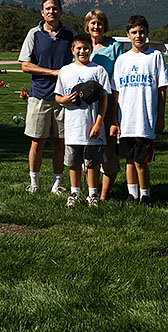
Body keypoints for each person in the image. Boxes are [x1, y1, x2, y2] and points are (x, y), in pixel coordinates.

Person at [18, 0, 76, 194]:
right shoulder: (34, 34)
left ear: (61, 10)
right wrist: (52, 72)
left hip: (63, 98)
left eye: (55, 8)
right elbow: (25, 65)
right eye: (47, 9)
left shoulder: (70, 35)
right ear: (42, 13)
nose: (52, 11)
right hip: (39, 95)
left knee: (60, 142)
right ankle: (34, 183)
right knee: (37, 141)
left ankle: (57, 184)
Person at [110, 14, 168, 205]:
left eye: (141, 32)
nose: (138, 36)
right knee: (128, 160)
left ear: (147, 33)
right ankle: (132, 194)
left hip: (145, 120)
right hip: (126, 119)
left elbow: (162, 89)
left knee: (141, 161)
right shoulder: (122, 60)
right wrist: (114, 120)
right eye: (134, 32)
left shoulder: (155, 57)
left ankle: (145, 195)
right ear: (128, 35)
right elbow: (116, 92)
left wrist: (160, 117)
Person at [54, 33, 112, 207]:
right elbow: (58, 96)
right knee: (74, 163)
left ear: (91, 49)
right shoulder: (65, 71)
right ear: (72, 50)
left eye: (86, 48)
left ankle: (93, 195)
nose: (82, 51)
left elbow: (104, 100)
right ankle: (75, 193)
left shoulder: (98, 70)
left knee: (92, 163)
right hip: (73, 128)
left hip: (92, 126)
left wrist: (99, 122)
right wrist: (65, 100)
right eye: (78, 48)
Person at [84, 9, 124, 201]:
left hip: (107, 106)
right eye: (92, 23)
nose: (96, 26)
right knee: (88, 149)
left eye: (99, 23)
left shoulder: (114, 47)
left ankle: (103, 195)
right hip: (85, 108)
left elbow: (119, 78)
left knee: (108, 150)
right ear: (87, 26)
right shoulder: (82, 46)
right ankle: (89, 190)